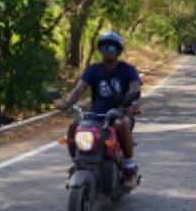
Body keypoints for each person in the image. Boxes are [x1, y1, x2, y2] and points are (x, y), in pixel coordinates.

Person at [55, 32, 141, 187]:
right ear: (100, 50)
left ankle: (129, 167)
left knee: (121, 124)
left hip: (119, 114)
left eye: (111, 47)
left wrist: (132, 105)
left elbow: (134, 88)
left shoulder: (127, 70)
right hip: (96, 115)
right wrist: (67, 102)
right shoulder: (93, 69)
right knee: (74, 126)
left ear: (118, 50)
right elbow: (78, 89)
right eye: (104, 47)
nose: (107, 50)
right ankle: (76, 163)